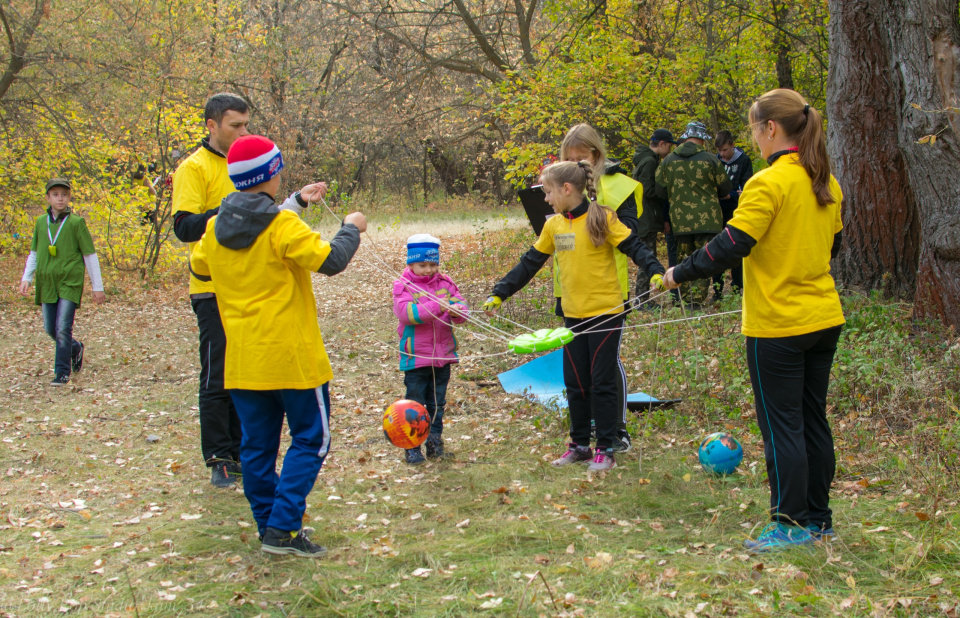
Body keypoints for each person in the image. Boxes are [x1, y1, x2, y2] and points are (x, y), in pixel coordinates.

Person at [663, 89, 844, 552]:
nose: (753, 138)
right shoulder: (825, 180)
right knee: (810, 420)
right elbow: (833, 249)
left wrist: (679, 274)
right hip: (822, 317)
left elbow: (731, 244)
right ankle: (819, 521)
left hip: (779, 326)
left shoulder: (769, 182)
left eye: (753, 129)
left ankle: (790, 524)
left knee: (784, 427)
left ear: (770, 129)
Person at [190, 134, 365, 558]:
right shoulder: (282, 226)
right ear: (272, 173)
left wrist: (293, 205)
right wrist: (351, 228)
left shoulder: (214, 229)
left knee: (256, 448)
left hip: (245, 361)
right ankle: (283, 528)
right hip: (292, 359)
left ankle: (269, 526)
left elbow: (200, 263)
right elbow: (332, 260)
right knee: (312, 439)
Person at [484, 161, 665, 472]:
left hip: (606, 314)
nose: (545, 198)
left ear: (567, 189)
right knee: (575, 382)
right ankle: (579, 445)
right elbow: (530, 262)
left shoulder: (603, 218)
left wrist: (656, 272)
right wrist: (500, 292)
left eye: (548, 191)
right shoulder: (553, 226)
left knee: (601, 381)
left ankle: (605, 448)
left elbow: (635, 247)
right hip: (573, 317)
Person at [172, 93, 253, 488]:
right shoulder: (194, 168)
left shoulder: (245, 164)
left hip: (247, 287)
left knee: (246, 372)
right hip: (210, 289)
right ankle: (219, 457)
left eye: (246, 125)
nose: (243, 132)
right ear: (212, 125)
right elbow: (185, 227)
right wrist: (227, 212)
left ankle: (242, 451)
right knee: (217, 374)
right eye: (235, 125)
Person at [559, 123, 644, 453]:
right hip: (571, 288)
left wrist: (596, 219)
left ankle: (616, 428)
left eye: (581, 159)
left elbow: (632, 234)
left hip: (609, 288)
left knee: (605, 365)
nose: (576, 165)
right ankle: (589, 427)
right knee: (579, 366)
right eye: (569, 159)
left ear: (596, 155)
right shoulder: (562, 183)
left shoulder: (620, 187)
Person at [19, 179, 106, 386]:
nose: (60, 198)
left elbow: (89, 255)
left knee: (62, 327)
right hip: (47, 281)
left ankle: (62, 373)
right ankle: (75, 348)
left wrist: (97, 286)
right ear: (48, 198)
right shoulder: (41, 223)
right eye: (56, 194)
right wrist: (27, 277)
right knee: (51, 328)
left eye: (64, 195)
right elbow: (34, 252)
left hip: (69, 281)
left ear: (69, 198)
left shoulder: (76, 223)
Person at [392, 234, 469, 464]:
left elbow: (462, 308)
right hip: (416, 358)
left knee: (437, 403)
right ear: (410, 263)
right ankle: (412, 446)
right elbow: (408, 314)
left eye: (432, 264)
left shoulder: (445, 283)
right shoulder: (403, 286)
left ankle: (435, 443)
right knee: (415, 405)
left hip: (442, 357)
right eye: (422, 265)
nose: (428, 270)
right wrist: (439, 305)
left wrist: (456, 311)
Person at [655, 121, 732, 307]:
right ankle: (696, 301)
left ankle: (685, 299)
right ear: (702, 140)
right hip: (708, 219)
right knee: (705, 258)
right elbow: (725, 187)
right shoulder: (711, 159)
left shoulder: (668, 161)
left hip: (680, 221)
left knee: (683, 260)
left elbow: (659, 189)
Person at [632, 128, 678, 299]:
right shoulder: (650, 162)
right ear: (661, 144)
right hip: (646, 217)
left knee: (648, 255)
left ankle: (642, 298)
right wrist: (665, 189)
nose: (669, 150)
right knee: (647, 257)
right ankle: (642, 299)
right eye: (669, 146)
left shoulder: (645, 159)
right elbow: (647, 189)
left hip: (646, 215)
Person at [715, 130, 754, 295]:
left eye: (725, 150)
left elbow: (745, 187)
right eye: (719, 151)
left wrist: (732, 194)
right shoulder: (715, 161)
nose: (722, 154)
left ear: (732, 145)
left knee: (736, 247)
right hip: (718, 210)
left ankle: (738, 287)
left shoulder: (744, 161)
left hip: (736, 210)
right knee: (717, 248)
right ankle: (717, 289)